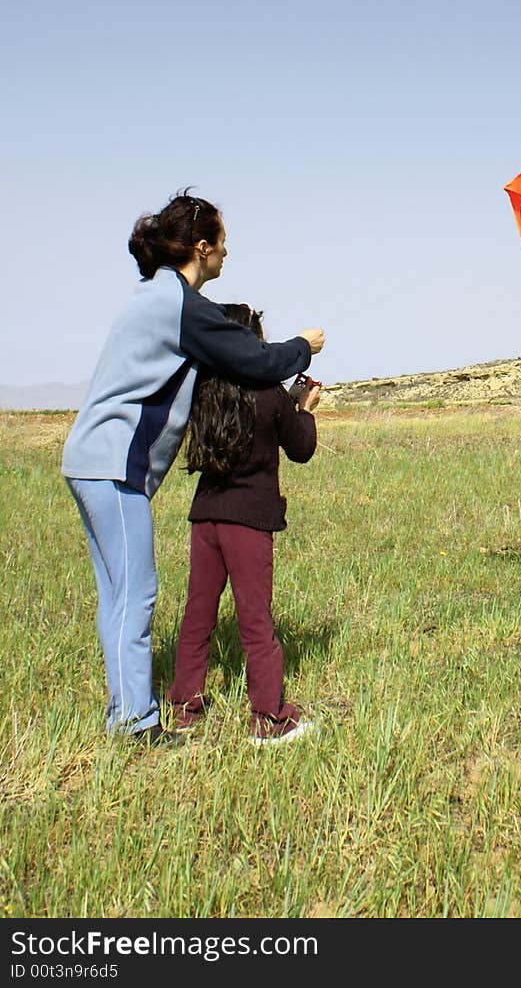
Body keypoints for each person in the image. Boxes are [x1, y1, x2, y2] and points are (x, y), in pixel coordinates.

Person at [62, 190, 325, 747]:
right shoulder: (176, 303)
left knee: (117, 595)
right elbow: (253, 358)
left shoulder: (151, 298)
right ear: (201, 248)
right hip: (112, 466)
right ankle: (138, 726)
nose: (227, 254)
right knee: (137, 595)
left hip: (89, 460)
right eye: (222, 244)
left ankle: (123, 714)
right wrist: (303, 346)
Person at [168, 305, 321, 744]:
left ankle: (184, 709)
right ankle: (269, 718)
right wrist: (304, 406)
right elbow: (301, 447)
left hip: (206, 516)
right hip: (249, 521)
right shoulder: (270, 392)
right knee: (256, 621)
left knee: (197, 616)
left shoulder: (205, 389)